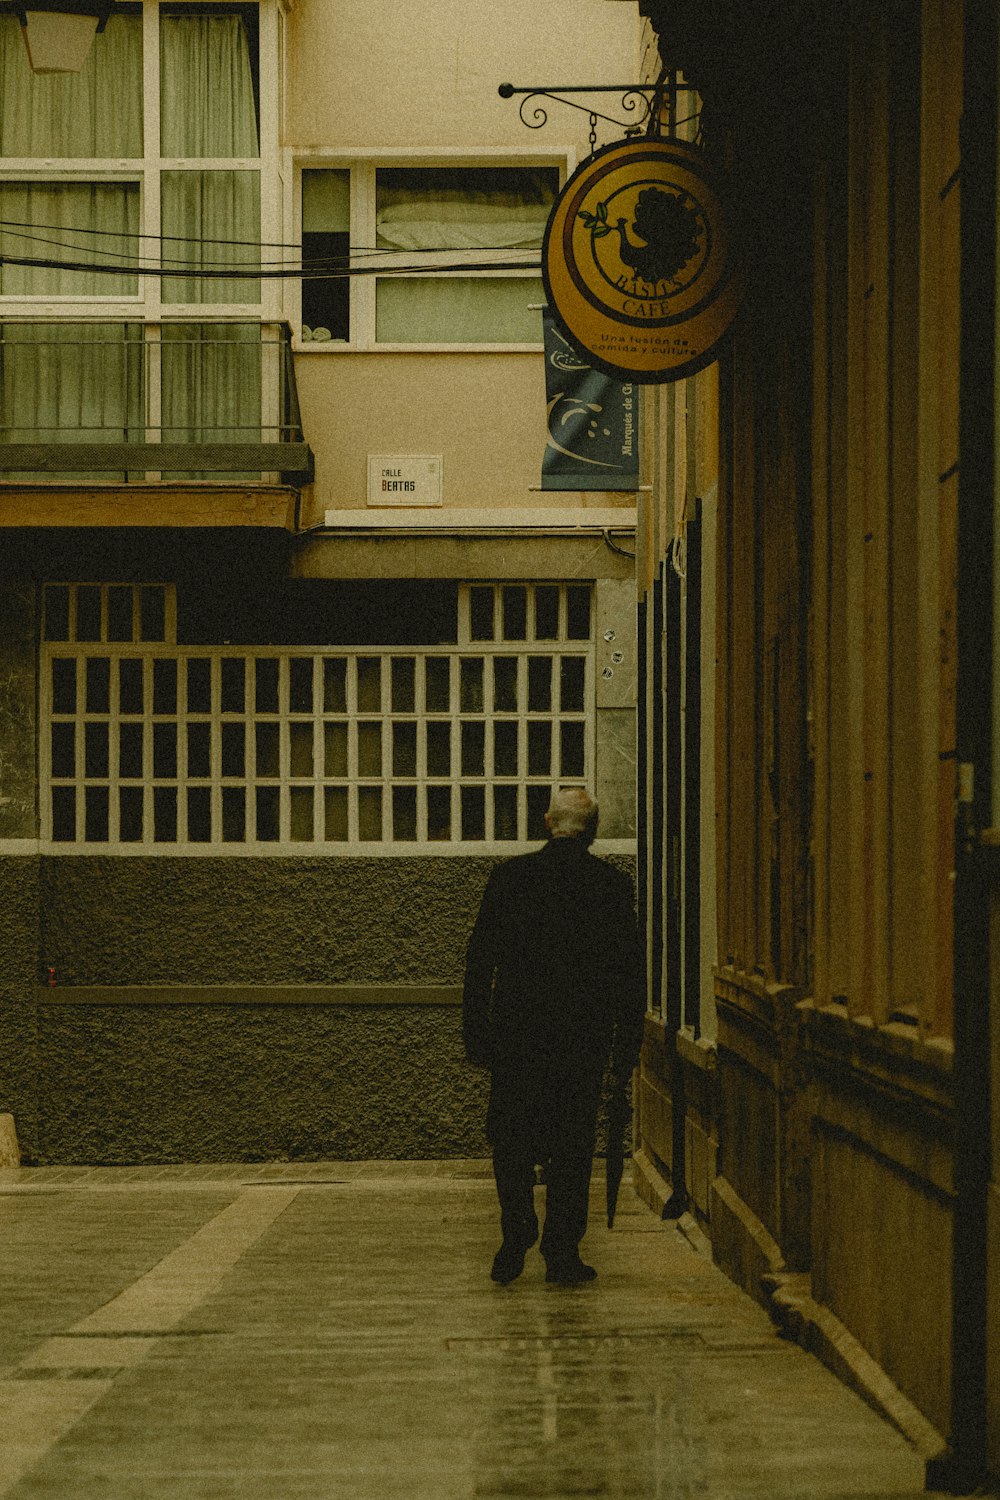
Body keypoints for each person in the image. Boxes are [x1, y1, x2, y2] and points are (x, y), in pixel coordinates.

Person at [463, 786, 643, 1286]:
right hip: (580, 1042)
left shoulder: (510, 879)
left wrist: (476, 1033)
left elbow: (480, 962)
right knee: (572, 1145)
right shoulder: (610, 887)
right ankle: (562, 1249)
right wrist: (626, 1045)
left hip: (517, 1038)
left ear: (547, 823)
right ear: (595, 828)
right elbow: (629, 975)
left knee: (512, 1140)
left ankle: (516, 1226)